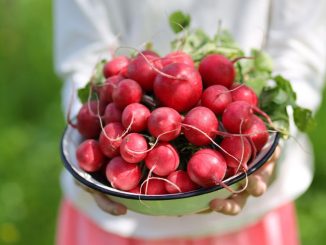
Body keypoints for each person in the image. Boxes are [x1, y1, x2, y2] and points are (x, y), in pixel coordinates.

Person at [54, 0, 326, 244]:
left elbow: (300, 50)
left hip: (247, 220)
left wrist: (275, 147)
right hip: (115, 227)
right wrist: (88, 165)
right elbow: (85, 56)